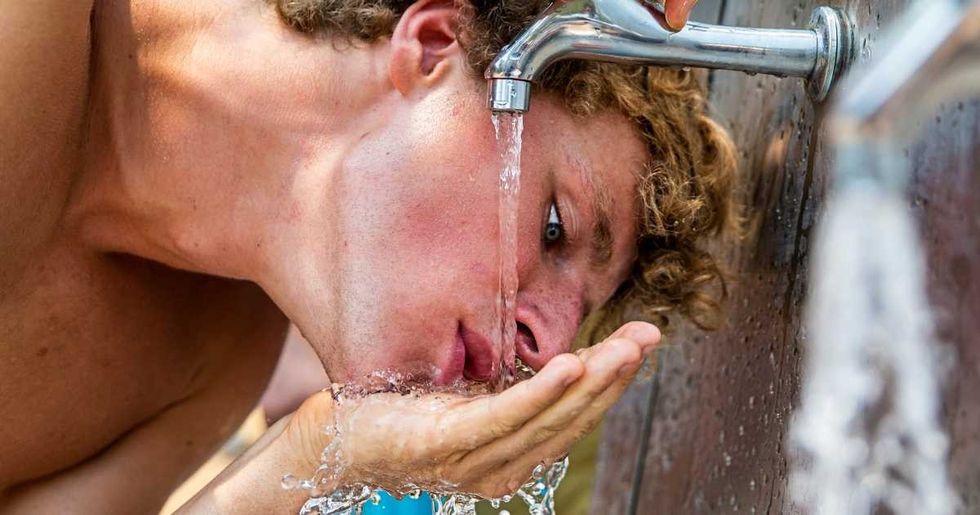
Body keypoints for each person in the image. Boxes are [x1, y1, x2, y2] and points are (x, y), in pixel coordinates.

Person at [0, 0, 734, 512]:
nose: (548, 348)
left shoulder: (216, 367)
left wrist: (320, 453)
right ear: (436, 42)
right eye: (553, 227)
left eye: (581, 315)